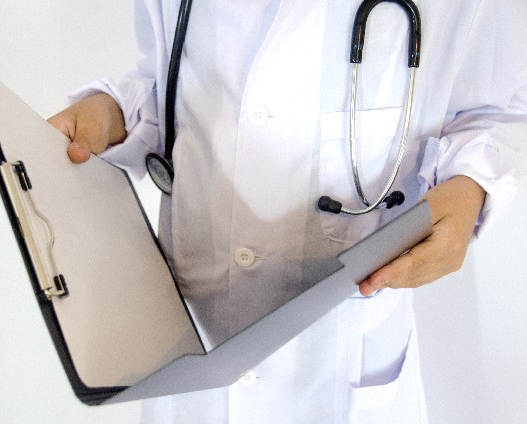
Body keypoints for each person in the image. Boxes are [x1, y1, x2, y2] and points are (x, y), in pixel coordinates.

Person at [48, 0, 526, 422]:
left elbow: (499, 109)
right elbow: (169, 84)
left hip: (340, 360)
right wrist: (110, 114)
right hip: (190, 347)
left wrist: (472, 187)